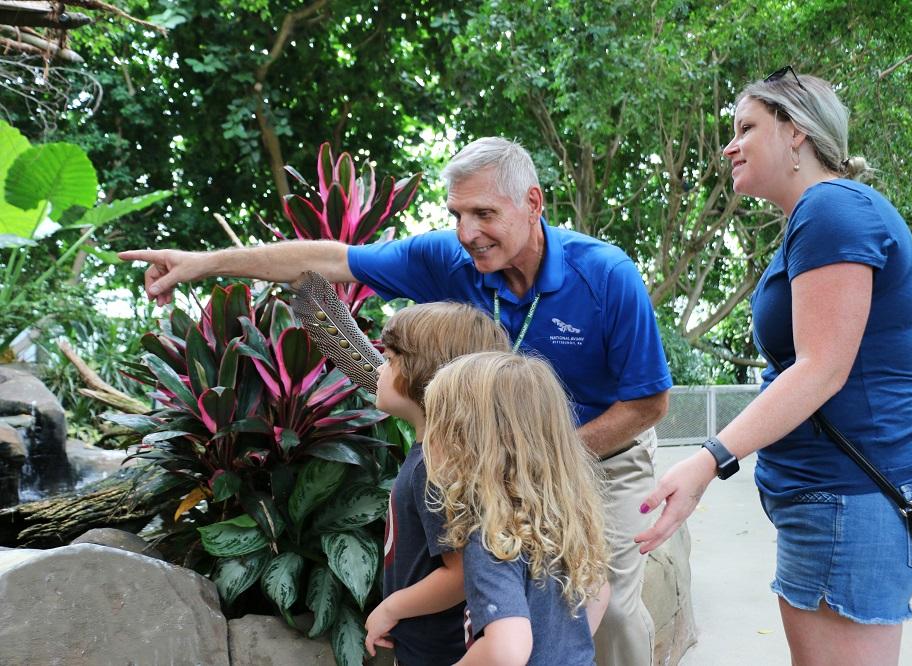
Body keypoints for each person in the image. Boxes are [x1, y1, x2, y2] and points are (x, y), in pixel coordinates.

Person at [119, 136, 672, 666]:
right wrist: (204, 263)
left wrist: (542, 461)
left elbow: (647, 405)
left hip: (595, 455)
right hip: (485, 468)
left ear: (533, 203)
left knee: (609, 612)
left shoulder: (605, 276)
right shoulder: (446, 259)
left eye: (483, 213)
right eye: (456, 214)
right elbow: (330, 261)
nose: (465, 231)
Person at [635, 68, 912, 665]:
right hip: (829, 500)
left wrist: (707, 459)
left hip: (846, 499)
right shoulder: (816, 216)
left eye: (746, 127)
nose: (729, 145)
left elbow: (821, 370)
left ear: (795, 132)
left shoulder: (831, 210)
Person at [422, 351, 611, 665]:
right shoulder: (561, 516)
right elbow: (599, 592)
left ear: (464, 441)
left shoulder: (491, 536)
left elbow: (506, 652)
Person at [363, 302, 510, 665]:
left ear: (424, 374)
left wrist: (391, 608)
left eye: (391, 359)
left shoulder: (435, 467)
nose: (379, 369)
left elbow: (461, 574)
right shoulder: (437, 456)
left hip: (441, 653)